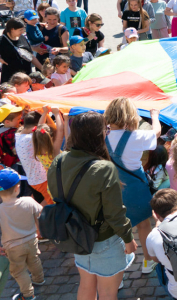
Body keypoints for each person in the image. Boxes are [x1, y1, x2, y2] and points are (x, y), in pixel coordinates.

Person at [47, 112, 137, 300]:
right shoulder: (103, 168)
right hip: (104, 240)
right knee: (107, 293)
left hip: (76, 236)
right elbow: (115, 214)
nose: (107, 132)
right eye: (107, 129)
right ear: (99, 134)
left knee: (86, 286)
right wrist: (128, 238)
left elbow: (55, 195)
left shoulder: (58, 161)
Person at [104, 97, 161, 274]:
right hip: (136, 188)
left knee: (118, 229)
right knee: (144, 225)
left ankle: (117, 273)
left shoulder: (102, 136)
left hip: (112, 188)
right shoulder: (136, 136)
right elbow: (156, 133)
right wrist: (154, 115)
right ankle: (148, 261)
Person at [0, 167, 45, 300]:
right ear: (17, 188)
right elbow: (41, 213)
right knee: (34, 260)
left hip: (12, 247)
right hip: (32, 240)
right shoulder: (28, 201)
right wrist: (39, 229)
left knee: (19, 271)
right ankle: (39, 279)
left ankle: (28, 294)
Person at [0, 18, 41, 83]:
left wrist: (42, 68)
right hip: (10, 77)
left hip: (26, 75)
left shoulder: (23, 38)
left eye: (23, 29)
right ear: (12, 29)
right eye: (20, 30)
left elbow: (31, 56)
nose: (22, 32)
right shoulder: (2, 40)